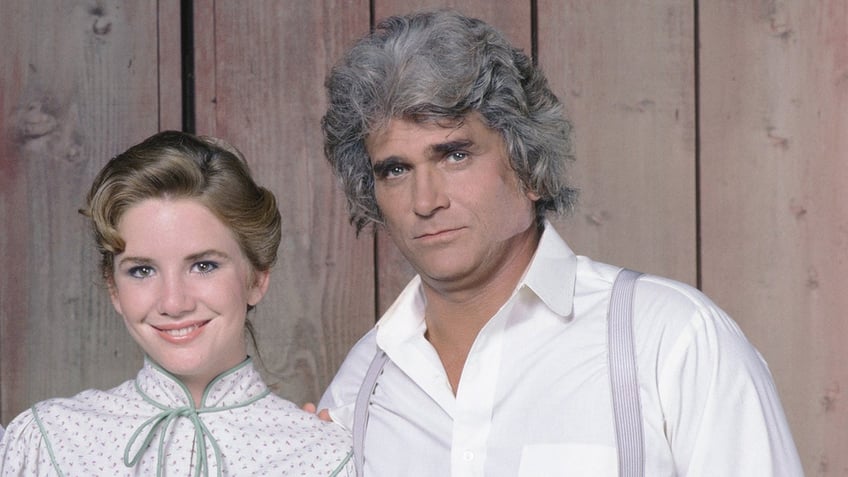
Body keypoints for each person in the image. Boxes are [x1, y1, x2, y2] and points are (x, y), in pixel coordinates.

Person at [316, 9, 803, 477]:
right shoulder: (359, 389)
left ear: (530, 168)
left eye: (455, 155)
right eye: (396, 169)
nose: (425, 200)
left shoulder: (671, 341)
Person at [0, 131, 354, 476]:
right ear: (113, 288)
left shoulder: (326, 458)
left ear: (257, 279)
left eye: (203, 266)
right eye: (141, 270)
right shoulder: (48, 443)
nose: (173, 302)